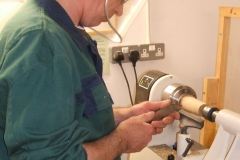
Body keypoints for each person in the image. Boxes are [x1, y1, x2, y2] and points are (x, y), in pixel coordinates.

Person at [0, 0, 180, 159]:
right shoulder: (42, 41)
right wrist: (123, 140)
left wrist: (123, 117)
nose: (119, 12)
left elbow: (69, 116)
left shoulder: (63, 32)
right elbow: (50, 156)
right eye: (121, 1)